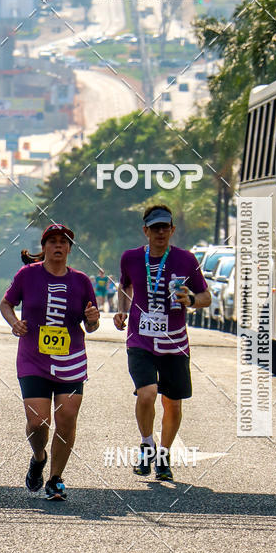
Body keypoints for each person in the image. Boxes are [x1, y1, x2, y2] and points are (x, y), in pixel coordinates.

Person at [0, 224, 99, 500]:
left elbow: (91, 325)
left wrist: (92, 320)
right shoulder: (27, 275)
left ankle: (55, 479)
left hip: (71, 360)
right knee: (38, 423)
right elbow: (6, 304)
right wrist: (14, 323)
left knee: (66, 419)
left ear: (69, 248)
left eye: (63, 242)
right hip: (33, 360)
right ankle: (39, 457)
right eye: (52, 241)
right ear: (43, 247)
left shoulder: (81, 281)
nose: (58, 246)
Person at [114, 204, 211, 481]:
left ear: (172, 230)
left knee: (173, 403)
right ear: (145, 230)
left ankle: (164, 455)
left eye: (165, 227)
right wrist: (121, 310)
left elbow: (206, 297)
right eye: (154, 228)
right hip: (140, 340)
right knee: (146, 393)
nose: (160, 232)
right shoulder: (130, 258)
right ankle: (147, 446)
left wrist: (191, 300)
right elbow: (125, 286)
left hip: (175, 343)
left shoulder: (186, 260)